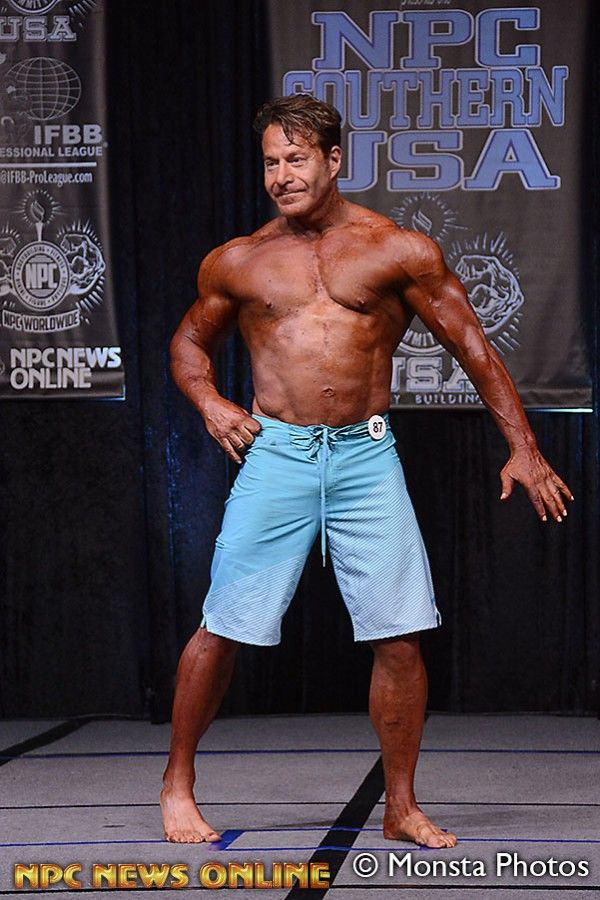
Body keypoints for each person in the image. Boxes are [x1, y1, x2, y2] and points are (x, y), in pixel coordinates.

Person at [160, 94, 573, 848]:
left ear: (333, 160)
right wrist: (211, 403)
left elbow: (471, 345)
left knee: (401, 634)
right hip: (277, 455)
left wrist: (524, 446)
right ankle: (177, 782)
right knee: (223, 626)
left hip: (365, 457)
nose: (281, 176)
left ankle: (400, 806)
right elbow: (189, 342)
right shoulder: (240, 259)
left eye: (296, 159)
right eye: (270, 162)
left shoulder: (396, 250)